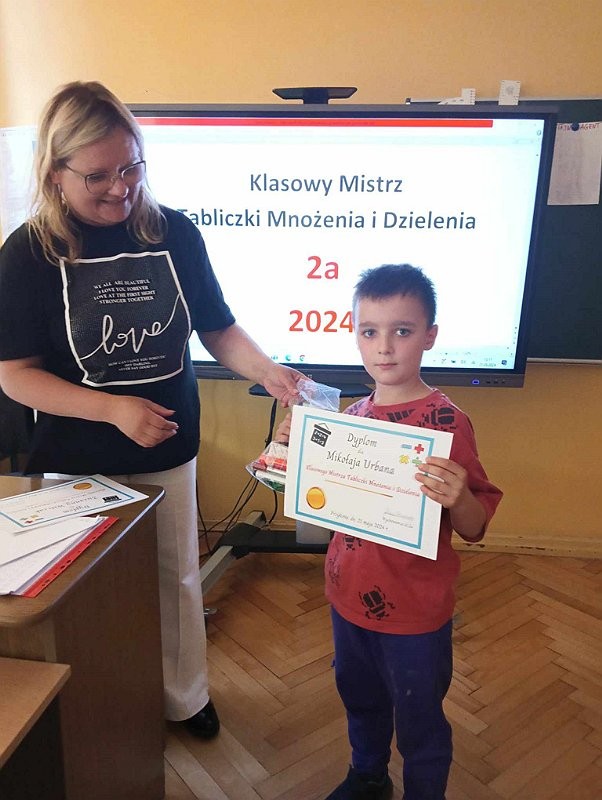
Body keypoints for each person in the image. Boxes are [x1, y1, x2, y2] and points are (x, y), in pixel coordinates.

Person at [0, 81, 302, 739]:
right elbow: (15, 375)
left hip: (167, 446)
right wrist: (111, 410)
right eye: (98, 176)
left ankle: (184, 699)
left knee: (176, 579)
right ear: (55, 174)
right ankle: (97, 710)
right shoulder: (27, 254)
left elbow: (217, 328)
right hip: (74, 460)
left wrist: (268, 371)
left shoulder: (175, 233)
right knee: (82, 595)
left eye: (131, 167)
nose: (121, 188)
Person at [275, 264, 502, 800]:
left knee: (419, 717)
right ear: (354, 334)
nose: (384, 347)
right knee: (360, 698)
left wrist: (460, 497)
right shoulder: (349, 418)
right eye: (369, 331)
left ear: (430, 336)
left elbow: (474, 527)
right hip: (346, 598)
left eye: (402, 330)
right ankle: (368, 775)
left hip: (415, 610)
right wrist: (291, 453)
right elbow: (320, 510)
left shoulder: (448, 422)